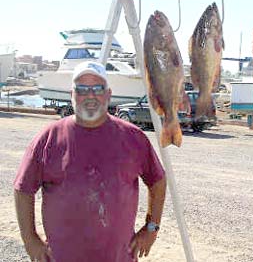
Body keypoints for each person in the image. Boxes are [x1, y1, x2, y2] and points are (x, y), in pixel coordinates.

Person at [14, 61, 166, 262]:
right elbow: (23, 190)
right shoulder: (48, 139)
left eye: (97, 88)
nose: (90, 95)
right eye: (82, 89)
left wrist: (151, 228)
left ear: (109, 94)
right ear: (72, 94)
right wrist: (30, 240)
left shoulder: (134, 137)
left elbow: (158, 181)